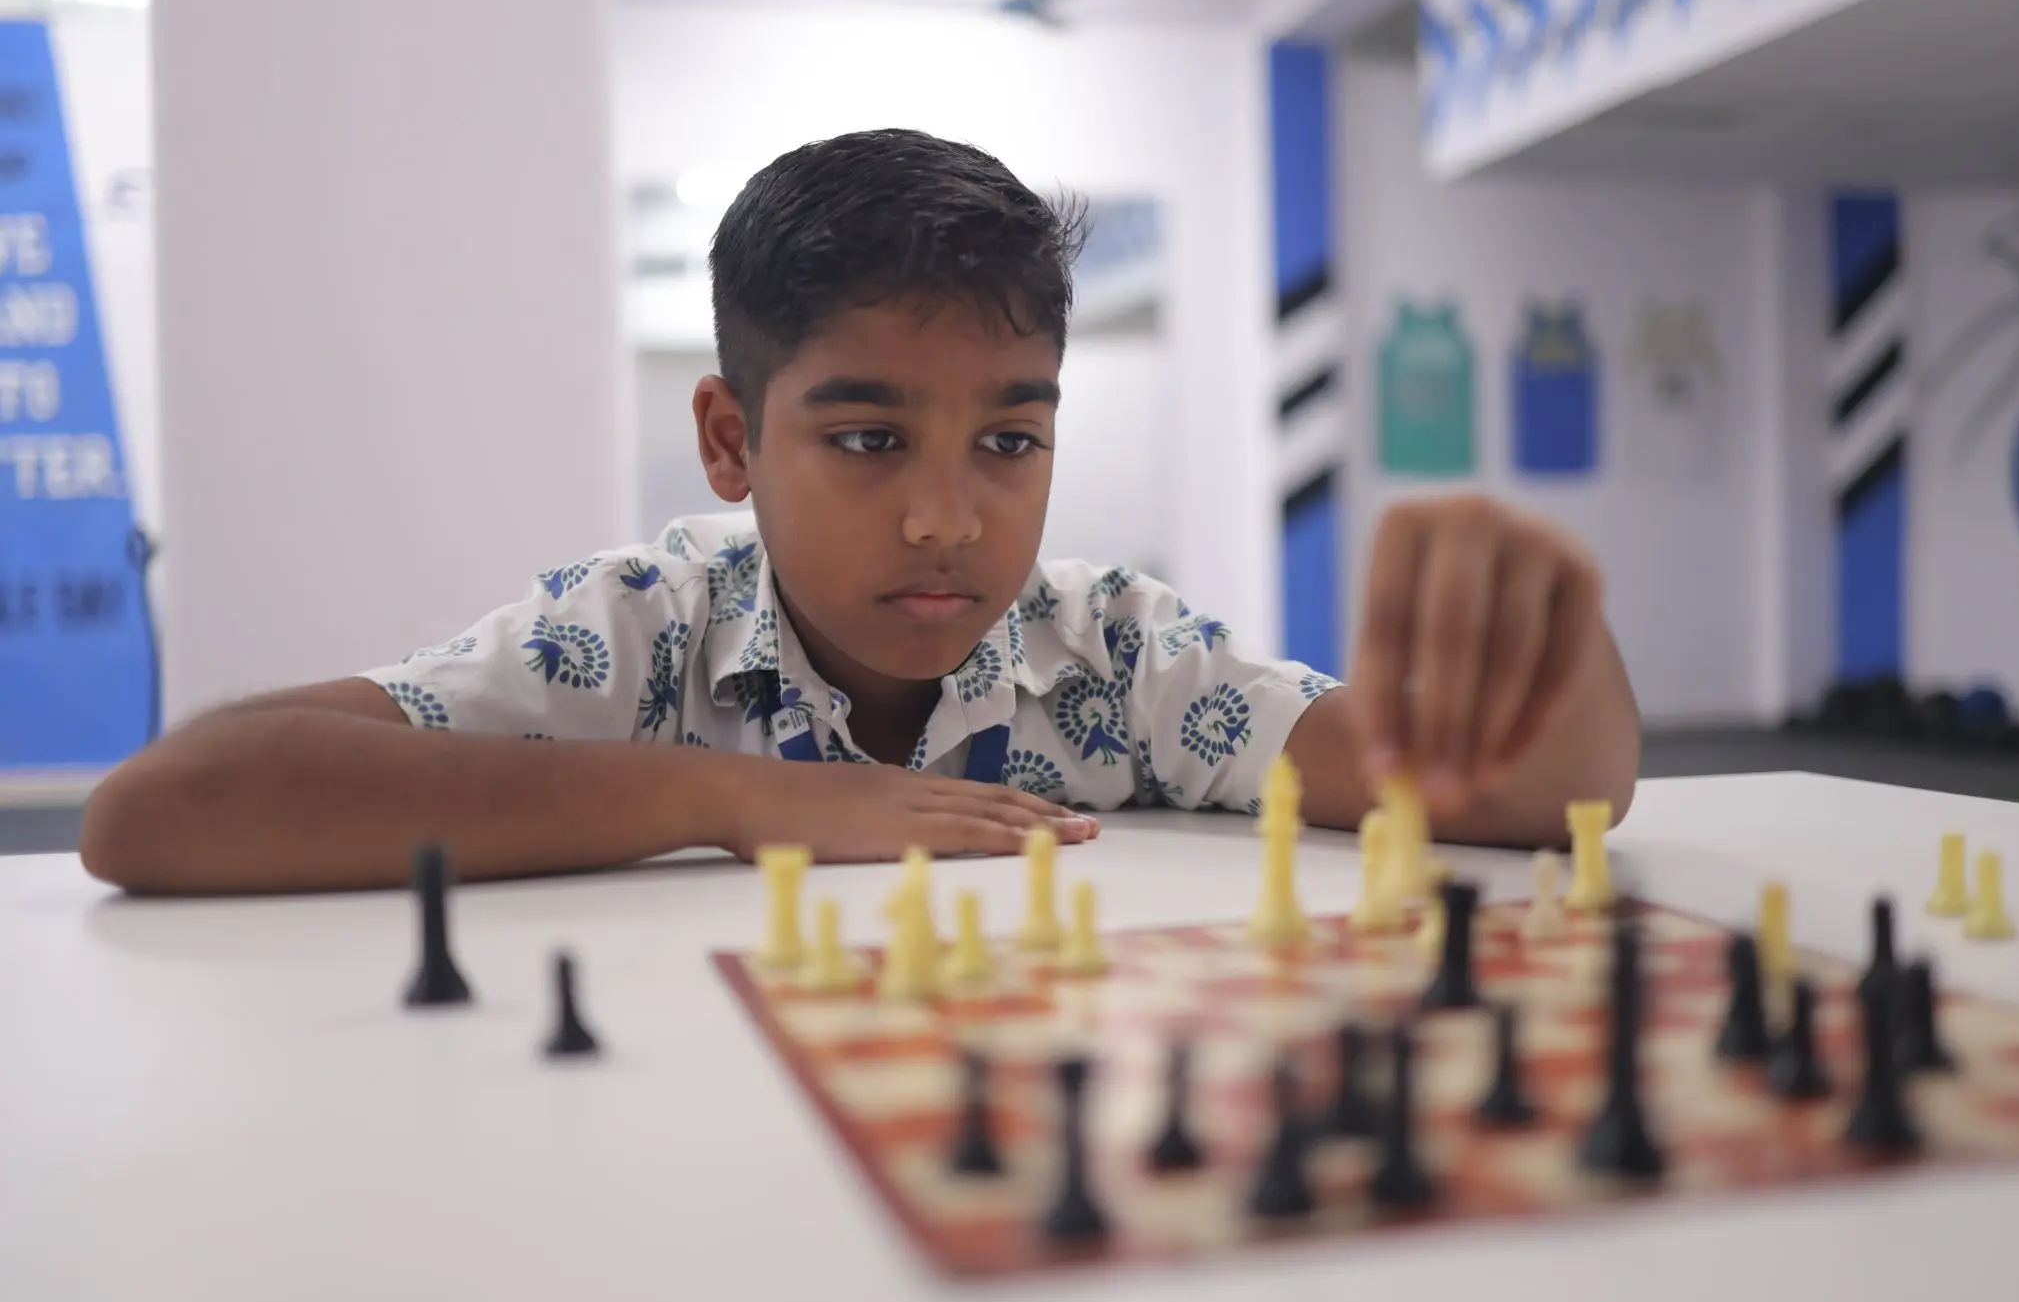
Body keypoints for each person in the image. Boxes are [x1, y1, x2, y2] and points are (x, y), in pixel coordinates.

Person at [81, 129, 1638, 896]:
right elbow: (166, 808)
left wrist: (1553, 635)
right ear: (730, 439)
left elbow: (1535, 796)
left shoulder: (1109, 651)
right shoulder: (635, 635)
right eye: (872, 437)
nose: (947, 520)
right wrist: (732, 797)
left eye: (1012, 439)